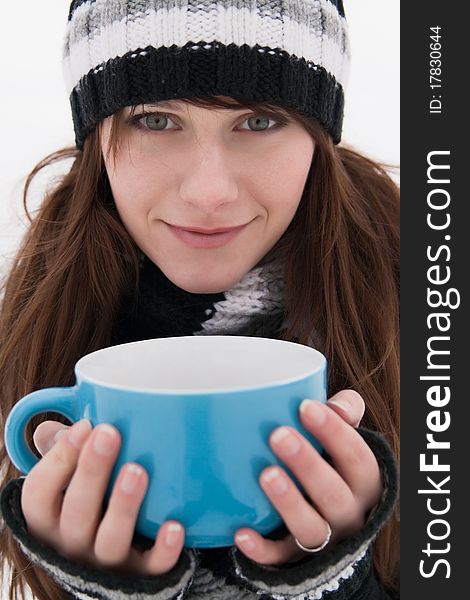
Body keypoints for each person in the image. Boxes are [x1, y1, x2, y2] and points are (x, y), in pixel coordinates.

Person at [0, 1, 400, 599]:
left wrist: (340, 581)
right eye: (156, 120)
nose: (209, 192)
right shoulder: (45, 312)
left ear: (319, 137)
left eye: (260, 121)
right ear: (96, 136)